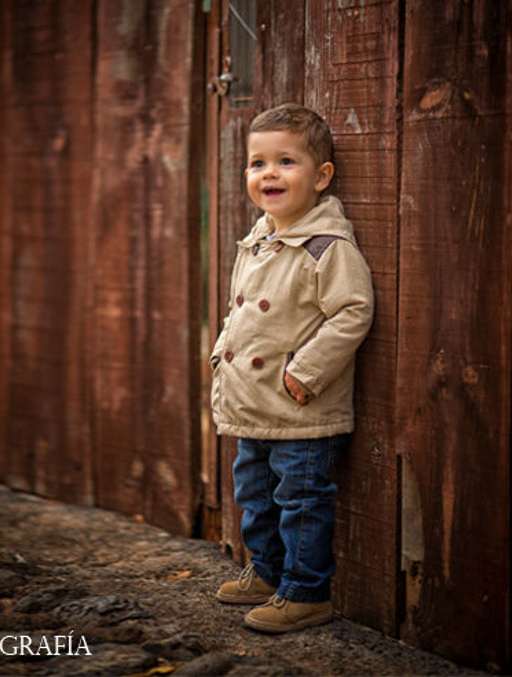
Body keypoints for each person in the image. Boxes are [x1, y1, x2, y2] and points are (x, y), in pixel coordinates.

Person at [210, 103, 374, 633]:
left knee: (300, 499)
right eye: (258, 164)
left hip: (300, 405)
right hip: (252, 399)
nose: (269, 174)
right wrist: (221, 357)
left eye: (286, 161)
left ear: (322, 176)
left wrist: (306, 371)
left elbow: (353, 311)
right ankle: (266, 572)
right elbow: (242, 313)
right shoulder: (259, 238)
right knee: (254, 494)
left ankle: (306, 592)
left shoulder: (327, 246)